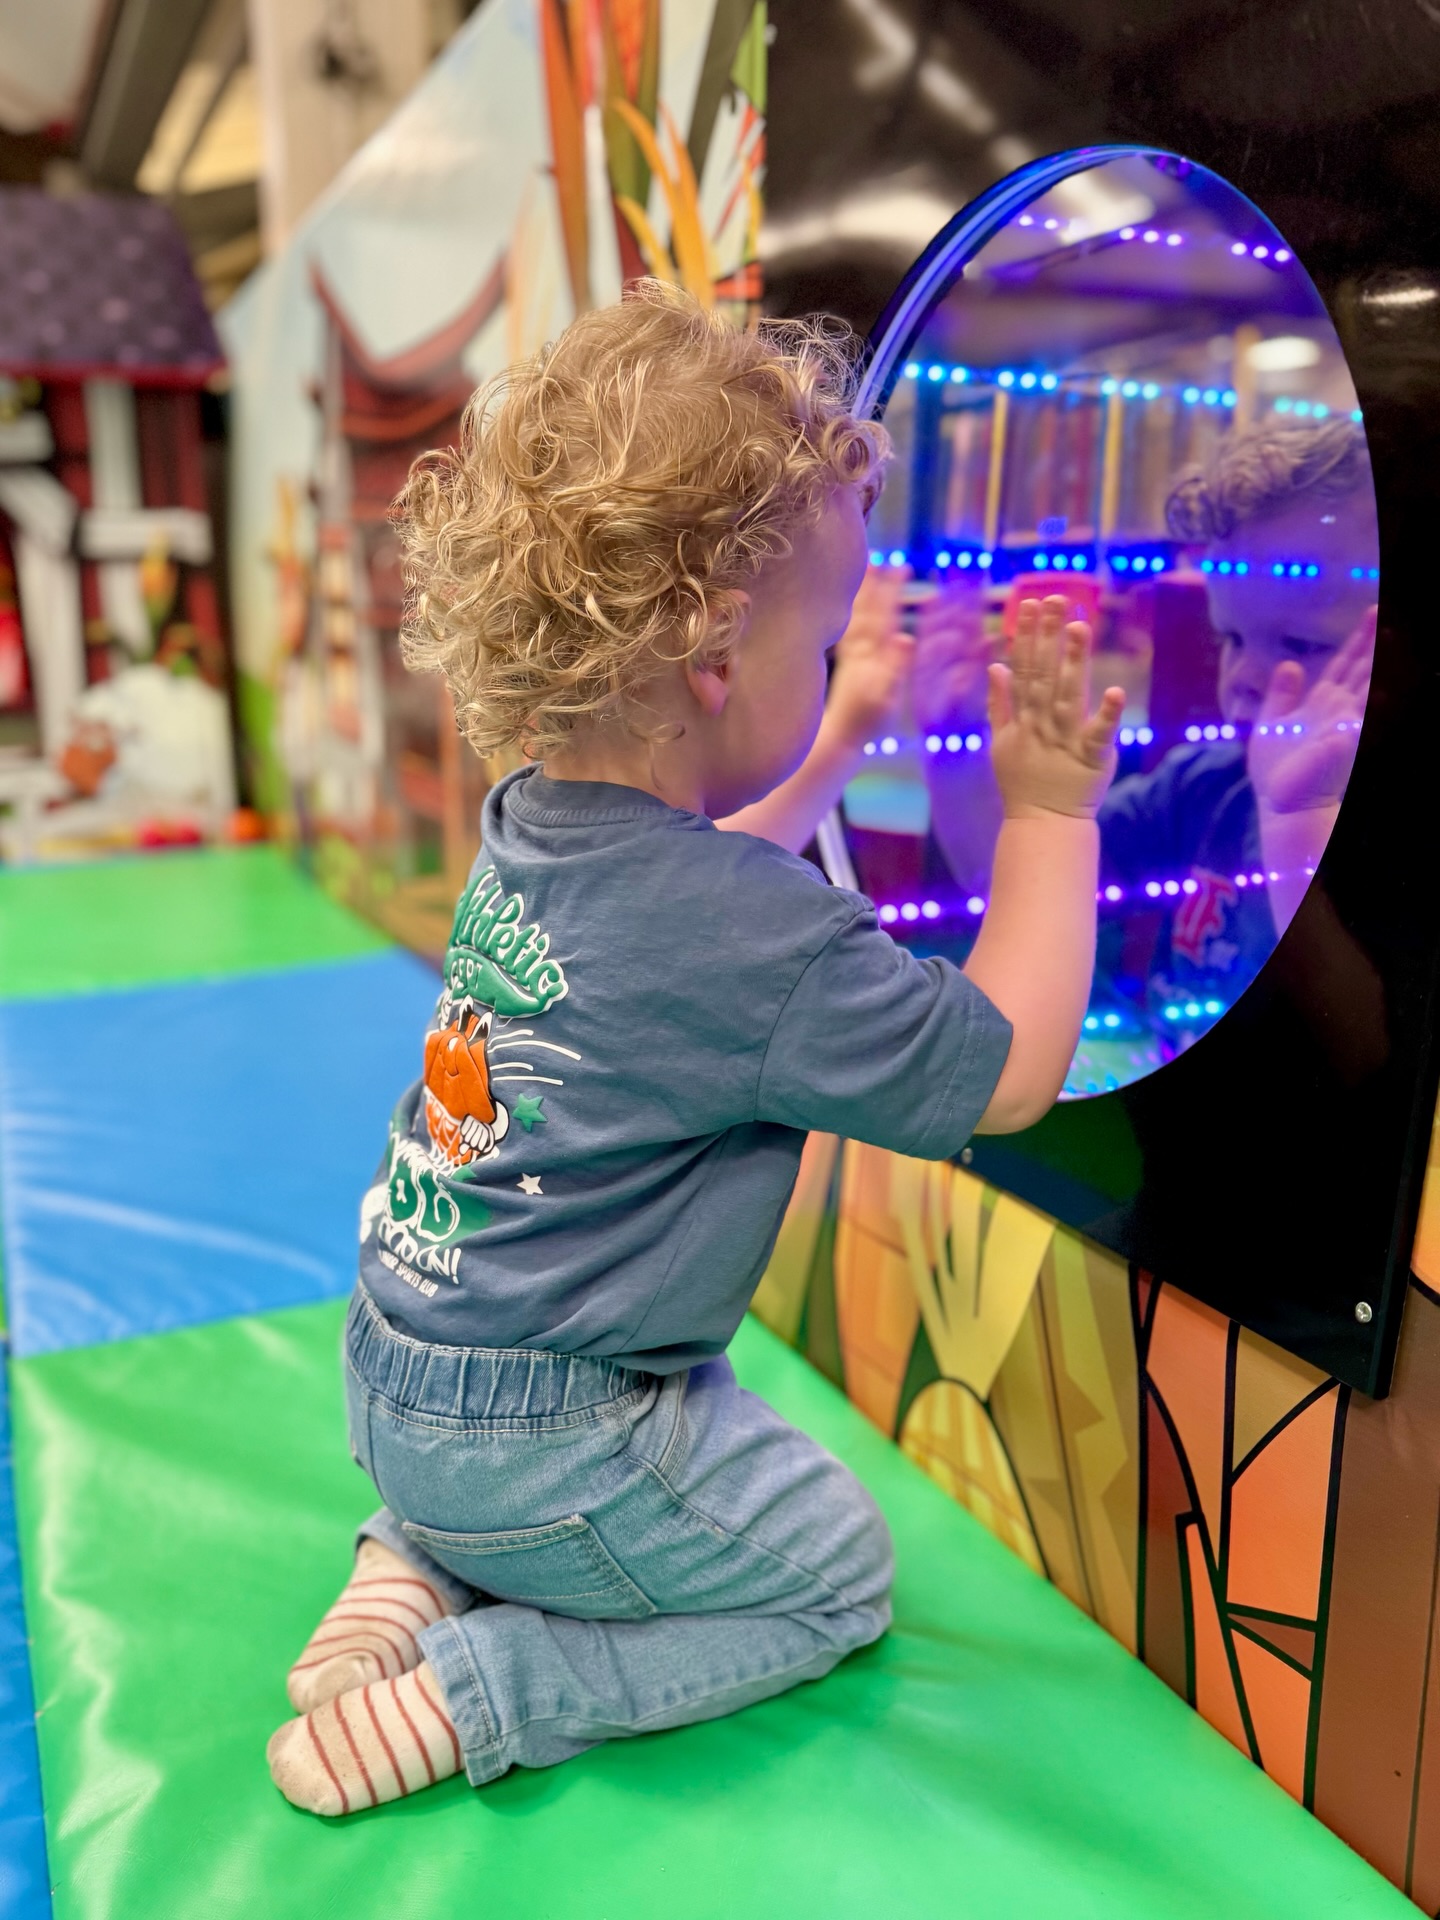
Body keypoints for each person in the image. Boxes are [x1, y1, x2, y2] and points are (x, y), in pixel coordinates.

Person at [265, 281, 1123, 1816]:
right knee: (833, 1573)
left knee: (684, 1447)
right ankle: (483, 1689)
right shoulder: (741, 935)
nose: (826, 677)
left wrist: (839, 733)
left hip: (393, 1377)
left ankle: (413, 1565)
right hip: (545, 1439)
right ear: (717, 653)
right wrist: (1055, 811)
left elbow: (709, 917)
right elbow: (1001, 1072)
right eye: (817, 645)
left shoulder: (532, 824)